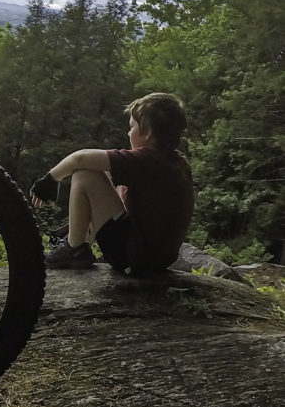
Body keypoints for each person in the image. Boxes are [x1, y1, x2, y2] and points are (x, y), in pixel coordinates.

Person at [29, 93, 194, 273]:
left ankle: (74, 250)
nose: (128, 132)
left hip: (133, 258)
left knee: (84, 174)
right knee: (103, 175)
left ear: (147, 133)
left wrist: (50, 180)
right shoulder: (176, 162)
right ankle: (77, 243)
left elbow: (80, 158)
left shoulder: (147, 160)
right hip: (154, 259)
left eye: (132, 127)